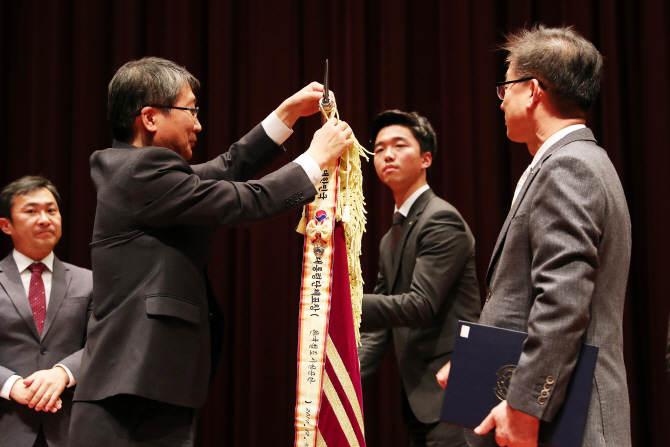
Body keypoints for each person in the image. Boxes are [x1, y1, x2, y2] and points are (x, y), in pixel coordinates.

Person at [68, 57, 352, 447]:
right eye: (190, 110)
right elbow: (246, 201)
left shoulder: (143, 171)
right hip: (127, 395)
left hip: (150, 385)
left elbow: (228, 166)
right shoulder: (138, 172)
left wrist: (285, 115)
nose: (198, 124)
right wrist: (314, 159)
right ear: (150, 117)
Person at [437, 25, 632, 447]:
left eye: (505, 86)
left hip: (567, 424)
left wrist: (525, 405)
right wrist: (479, 364)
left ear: (533, 90)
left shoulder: (569, 167)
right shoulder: (579, 160)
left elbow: (563, 301)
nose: (501, 99)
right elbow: (530, 298)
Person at [358, 110, 481, 446]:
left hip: (456, 390)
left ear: (426, 158)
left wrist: (346, 301)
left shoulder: (440, 219)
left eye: (399, 145)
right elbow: (380, 328)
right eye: (380, 148)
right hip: (420, 400)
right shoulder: (390, 238)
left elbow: (421, 305)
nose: (387, 154)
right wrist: (344, 382)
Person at [0, 176, 92, 447]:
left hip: (70, 428)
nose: (44, 219)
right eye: (31, 211)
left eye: (51, 210)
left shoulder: (90, 281)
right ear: (6, 225)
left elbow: (105, 342)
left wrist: (63, 372)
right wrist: (10, 384)